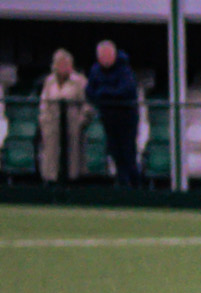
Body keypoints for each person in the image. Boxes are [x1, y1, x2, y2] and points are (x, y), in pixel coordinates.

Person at [85, 40, 140, 188]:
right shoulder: (95, 70)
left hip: (126, 119)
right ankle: (121, 185)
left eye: (107, 55)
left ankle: (136, 187)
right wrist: (103, 95)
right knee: (115, 153)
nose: (105, 59)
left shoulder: (124, 70)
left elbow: (126, 91)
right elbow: (90, 92)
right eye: (102, 56)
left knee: (128, 153)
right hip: (107, 118)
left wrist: (104, 93)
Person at [37, 50, 88, 184]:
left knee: (73, 155)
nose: (63, 67)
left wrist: (80, 121)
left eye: (66, 64)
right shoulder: (49, 81)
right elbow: (44, 102)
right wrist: (44, 119)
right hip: (52, 123)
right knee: (50, 153)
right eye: (60, 63)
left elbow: (87, 105)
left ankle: (72, 182)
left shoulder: (80, 81)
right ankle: (51, 182)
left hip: (72, 124)